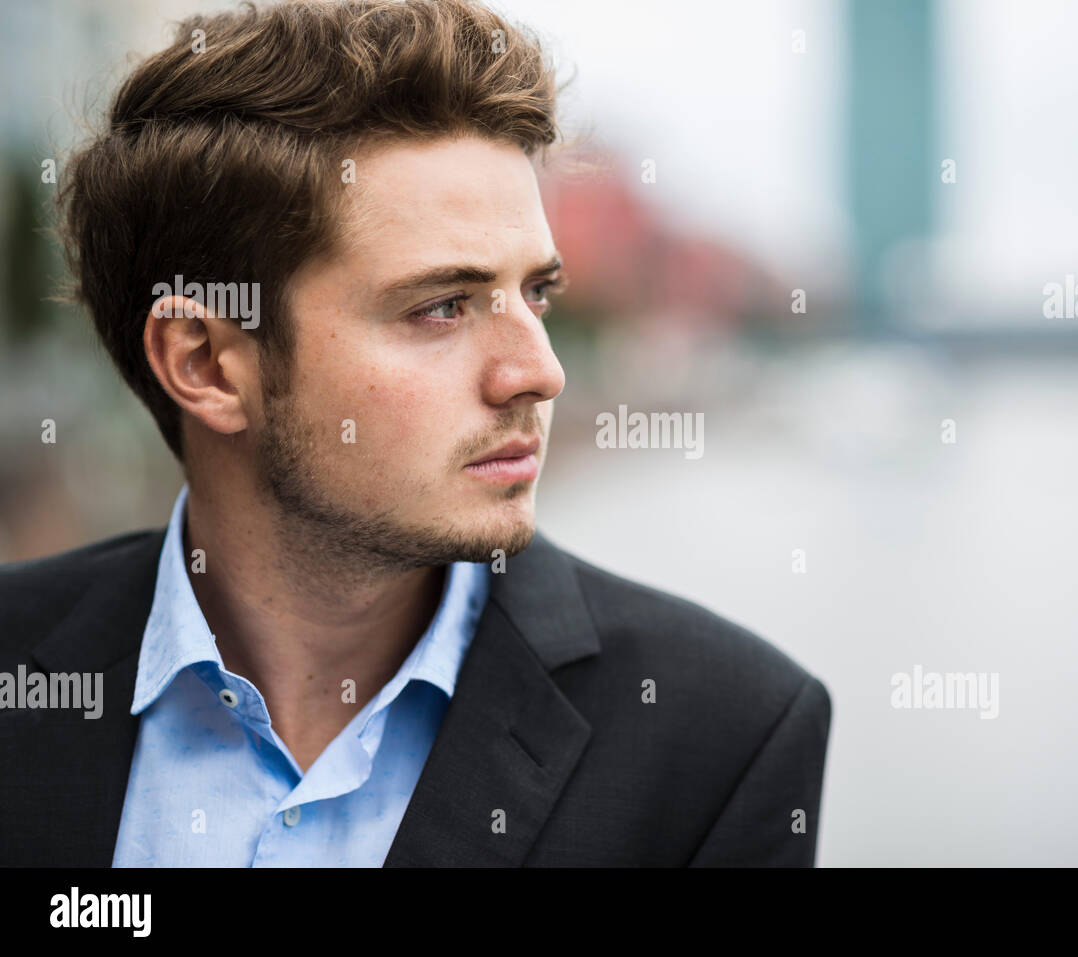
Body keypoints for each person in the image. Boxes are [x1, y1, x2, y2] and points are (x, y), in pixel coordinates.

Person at [0, 0, 831, 867]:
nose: (539, 372)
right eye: (441, 307)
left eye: (536, 293)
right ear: (205, 363)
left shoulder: (721, 735)